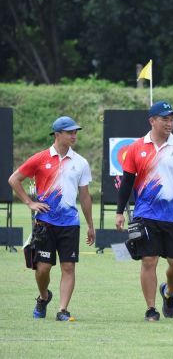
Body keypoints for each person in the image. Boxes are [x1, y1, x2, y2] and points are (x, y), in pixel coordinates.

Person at [115, 101, 173, 321]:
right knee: (149, 260)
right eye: (165, 118)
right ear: (152, 121)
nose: (170, 123)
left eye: (172, 119)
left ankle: (169, 291)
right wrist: (119, 212)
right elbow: (127, 182)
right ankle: (150, 309)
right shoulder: (136, 147)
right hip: (145, 214)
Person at [8, 116, 94, 321]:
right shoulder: (40, 158)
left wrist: (90, 225)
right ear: (57, 135)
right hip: (45, 223)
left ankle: (62, 310)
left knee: (68, 266)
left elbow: (84, 195)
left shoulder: (81, 162)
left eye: (76, 132)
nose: (74, 135)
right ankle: (44, 296)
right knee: (43, 268)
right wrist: (30, 203)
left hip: (70, 224)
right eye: (70, 132)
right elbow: (14, 179)